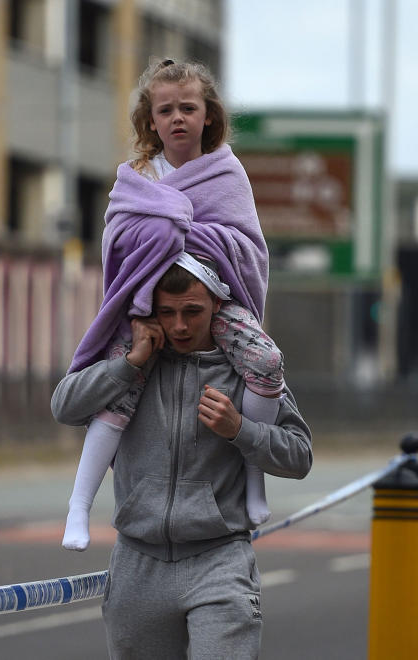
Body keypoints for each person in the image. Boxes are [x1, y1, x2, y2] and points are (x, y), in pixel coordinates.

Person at [62, 57, 286, 551]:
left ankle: (254, 478)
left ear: (209, 115)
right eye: (166, 110)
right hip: (143, 302)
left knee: (265, 361)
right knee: (122, 388)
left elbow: (246, 246)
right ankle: (79, 506)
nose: (177, 118)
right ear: (151, 120)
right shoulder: (137, 176)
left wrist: (175, 227)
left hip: (214, 301)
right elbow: (118, 239)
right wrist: (167, 229)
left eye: (189, 107)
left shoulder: (228, 173)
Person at [52, 259, 313, 658]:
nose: (179, 326)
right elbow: (65, 409)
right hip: (137, 565)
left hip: (220, 561)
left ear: (217, 307)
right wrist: (129, 365)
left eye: (192, 312)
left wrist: (240, 429)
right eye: (167, 312)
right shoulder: (131, 363)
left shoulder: (246, 368)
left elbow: (299, 455)